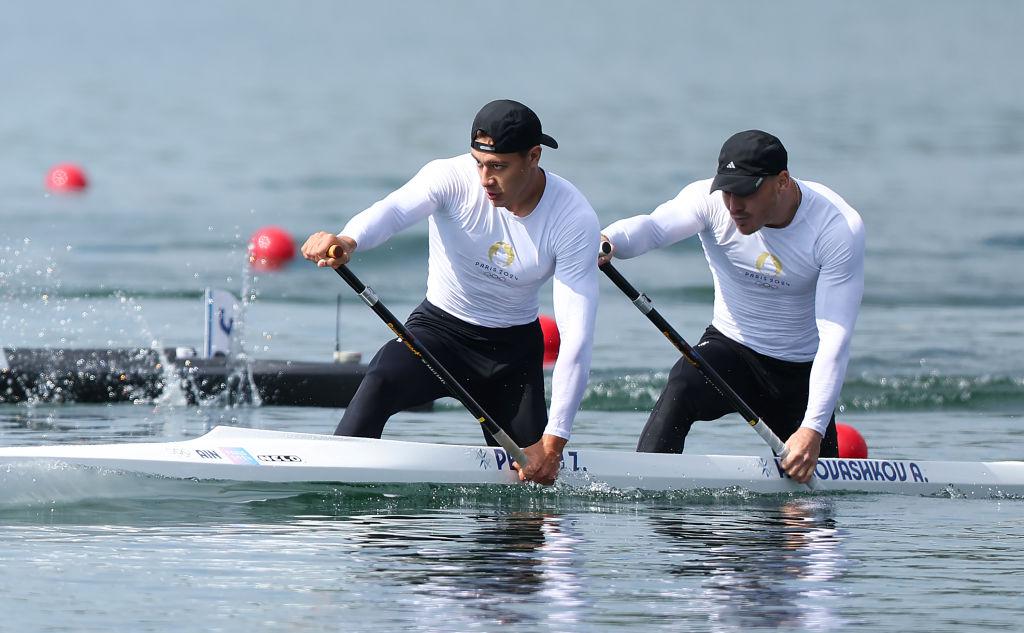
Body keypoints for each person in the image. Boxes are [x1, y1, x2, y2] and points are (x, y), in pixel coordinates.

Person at [301, 99, 600, 486]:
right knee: (381, 379)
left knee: (533, 489)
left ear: (533, 157)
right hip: (437, 336)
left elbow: (576, 338)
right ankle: (334, 495)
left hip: (512, 356)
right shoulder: (450, 177)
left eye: (498, 166)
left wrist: (554, 445)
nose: (484, 179)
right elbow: (393, 210)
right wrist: (348, 239)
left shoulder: (573, 219)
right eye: (478, 162)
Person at [599, 130, 864, 483]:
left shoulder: (836, 228)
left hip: (799, 372)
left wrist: (812, 430)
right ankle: (644, 494)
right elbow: (655, 227)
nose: (734, 205)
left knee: (811, 521)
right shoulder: (709, 201)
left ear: (782, 182)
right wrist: (608, 239)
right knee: (683, 383)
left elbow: (835, 337)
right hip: (730, 350)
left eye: (746, 192)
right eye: (727, 191)